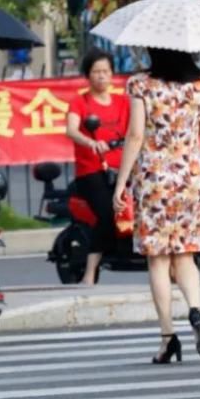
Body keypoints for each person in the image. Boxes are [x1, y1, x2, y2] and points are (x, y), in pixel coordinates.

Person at [113, 48, 200, 364]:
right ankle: (195, 310)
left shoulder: (141, 84)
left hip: (154, 181)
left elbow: (135, 135)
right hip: (189, 180)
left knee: (159, 262)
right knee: (185, 255)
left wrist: (121, 183)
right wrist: (187, 125)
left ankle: (167, 337)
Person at [66, 48, 130, 285]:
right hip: (92, 171)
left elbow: (136, 131)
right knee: (108, 212)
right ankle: (90, 271)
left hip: (122, 169)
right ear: (87, 75)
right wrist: (91, 142)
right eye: (96, 71)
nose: (102, 76)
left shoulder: (124, 102)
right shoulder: (80, 102)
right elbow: (71, 130)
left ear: (112, 74)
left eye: (106, 71)